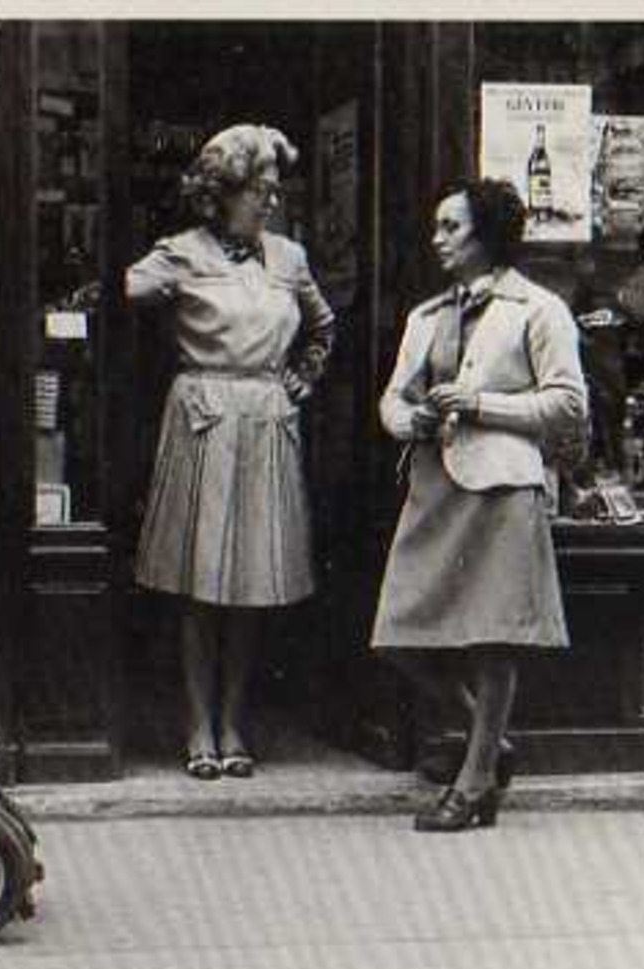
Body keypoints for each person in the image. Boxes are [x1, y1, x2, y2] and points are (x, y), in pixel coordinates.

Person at [372, 178, 587, 832]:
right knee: (398, 636)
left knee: (495, 643)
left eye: (451, 227)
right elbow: (393, 397)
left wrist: (480, 405)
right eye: (437, 227)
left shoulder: (539, 309)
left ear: (488, 235)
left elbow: (568, 404)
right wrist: (406, 421)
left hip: (501, 485)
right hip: (435, 485)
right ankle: (488, 744)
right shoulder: (427, 315)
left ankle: (471, 785)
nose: (437, 239)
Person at [127, 124, 335, 781]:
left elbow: (323, 325)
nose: (270, 203)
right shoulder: (181, 252)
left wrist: (304, 376)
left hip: (266, 417)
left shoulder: (289, 258)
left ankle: (234, 721)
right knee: (200, 587)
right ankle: (198, 724)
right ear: (220, 194)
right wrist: (163, 296)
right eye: (259, 191)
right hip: (202, 420)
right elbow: (124, 291)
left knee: (251, 584)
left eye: (276, 191)